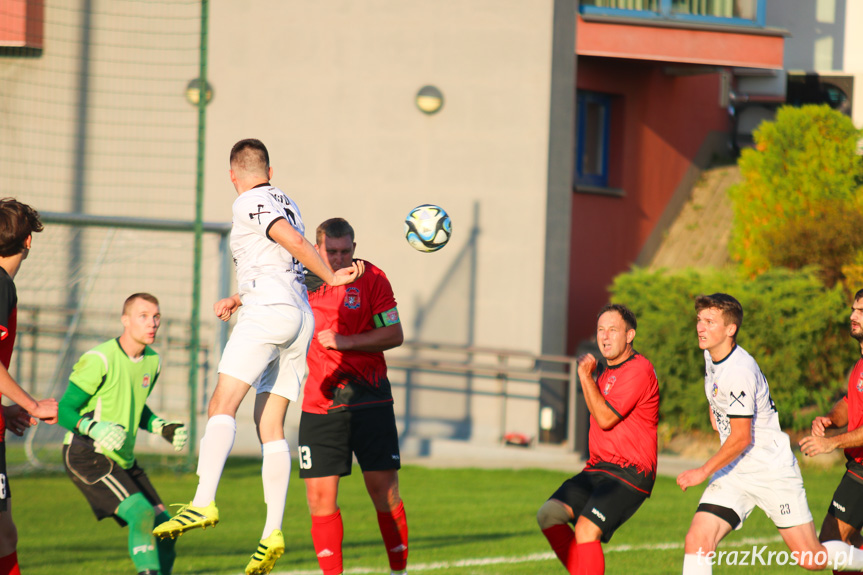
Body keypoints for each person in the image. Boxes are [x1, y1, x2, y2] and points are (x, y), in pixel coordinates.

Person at [153, 139, 363, 575]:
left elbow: (295, 243)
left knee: (221, 404)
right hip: (296, 316)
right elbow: (281, 265)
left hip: (271, 313)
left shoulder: (249, 200)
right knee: (269, 423)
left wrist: (332, 276)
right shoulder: (287, 200)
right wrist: (239, 297)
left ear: (233, 174)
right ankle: (272, 531)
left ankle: (202, 501)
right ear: (270, 169)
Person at [678, 293, 863, 574]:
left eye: (710, 321)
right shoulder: (710, 355)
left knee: (811, 559)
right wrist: (717, 415)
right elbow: (716, 393)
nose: (700, 327)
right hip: (734, 470)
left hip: (769, 470)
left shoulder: (740, 370)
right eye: (699, 320)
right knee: (697, 540)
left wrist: (701, 471)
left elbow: (742, 438)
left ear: (731, 329)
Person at [298, 218, 407, 575]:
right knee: (319, 499)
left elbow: (394, 333)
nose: (340, 258)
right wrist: (237, 299)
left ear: (354, 249)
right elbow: (265, 293)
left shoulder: (372, 278)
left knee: (384, 493)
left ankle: (399, 571)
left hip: (369, 398)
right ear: (318, 250)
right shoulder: (299, 279)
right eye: (332, 252)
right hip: (319, 402)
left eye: (346, 251)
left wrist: (347, 342)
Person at [58, 293, 186, 575]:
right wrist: (95, 427)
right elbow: (65, 408)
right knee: (141, 514)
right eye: (143, 316)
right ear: (125, 320)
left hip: (122, 458)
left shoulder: (153, 361)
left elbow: (134, 406)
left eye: (156, 317)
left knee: (166, 527)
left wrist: (160, 426)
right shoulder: (99, 359)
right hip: (86, 454)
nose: (152, 323)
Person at [537, 304, 659, 575]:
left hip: (630, 472)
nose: (605, 336)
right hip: (599, 468)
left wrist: (584, 377)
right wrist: (591, 377)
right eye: (600, 330)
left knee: (585, 529)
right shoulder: (604, 372)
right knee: (549, 514)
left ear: (629, 336)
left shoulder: (639, 369)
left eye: (613, 330)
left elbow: (605, 419)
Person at [0, 198, 58, 575]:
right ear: (28, 242)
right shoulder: (1, 285)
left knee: (4, 534)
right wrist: (33, 405)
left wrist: (5, 410)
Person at [799, 289, 863, 574]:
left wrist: (831, 443)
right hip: (858, 467)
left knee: (833, 544)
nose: (852, 316)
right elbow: (850, 403)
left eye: (861, 312)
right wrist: (829, 419)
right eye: (853, 309)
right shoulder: (860, 364)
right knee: (838, 546)